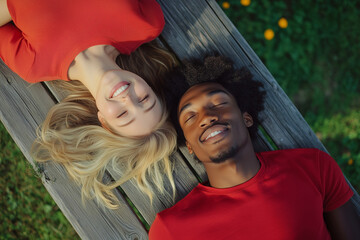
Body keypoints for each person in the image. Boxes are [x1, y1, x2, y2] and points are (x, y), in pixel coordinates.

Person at [149, 55, 360, 239]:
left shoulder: (314, 167)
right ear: (190, 146)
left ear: (246, 118)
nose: (207, 117)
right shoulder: (171, 229)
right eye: (190, 117)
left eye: (219, 103)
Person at [0, 0, 178, 208]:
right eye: (145, 99)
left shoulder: (33, 65)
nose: (128, 99)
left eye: (122, 115)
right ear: (149, 86)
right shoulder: (145, 24)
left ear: (103, 120)